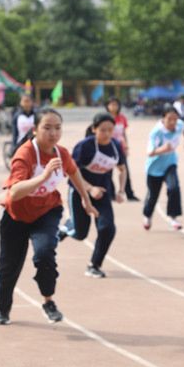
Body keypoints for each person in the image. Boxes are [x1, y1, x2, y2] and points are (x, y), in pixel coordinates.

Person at [0, 108, 99, 325]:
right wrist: (43, 176)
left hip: (46, 212)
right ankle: (3, 309)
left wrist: (85, 199)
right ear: (35, 130)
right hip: (15, 217)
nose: (53, 133)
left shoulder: (61, 153)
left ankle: (48, 301)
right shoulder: (25, 154)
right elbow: (14, 192)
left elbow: (74, 172)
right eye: (47, 127)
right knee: (9, 268)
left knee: (44, 254)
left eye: (57, 128)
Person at [59, 113, 127, 278]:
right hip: (79, 192)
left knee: (107, 229)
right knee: (80, 233)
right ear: (94, 129)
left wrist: (121, 190)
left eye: (110, 130)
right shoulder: (85, 146)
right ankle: (66, 228)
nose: (107, 134)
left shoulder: (115, 146)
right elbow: (72, 172)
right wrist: (89, 189)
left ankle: (94, 265)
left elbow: (122, 169)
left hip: (102, 194)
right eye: (103, 130)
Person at [142, 106, 184, 231]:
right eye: (169, 119)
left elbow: (183, 127)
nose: (173, 122)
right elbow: (149, 152)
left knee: (174, 188)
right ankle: (147, 215)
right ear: (163, 119)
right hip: (154, 168)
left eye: (175, 119)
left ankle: (173, 217)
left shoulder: (179, 124)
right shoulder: (156, 132)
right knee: (153, 195)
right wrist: (163, 149)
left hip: (170, 163)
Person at [105, 96, 140, 201]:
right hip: (108, 147)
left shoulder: (122, 118)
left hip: (120, 148)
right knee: (108, 173)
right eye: (111, 104)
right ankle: (110, 194)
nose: (113, 107)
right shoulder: (105, 118)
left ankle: (129, 194)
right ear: (107, 106)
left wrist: (126, 146)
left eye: (116, 104)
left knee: (125, 171)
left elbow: (124, 133)